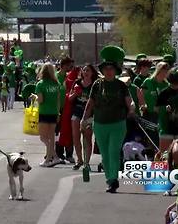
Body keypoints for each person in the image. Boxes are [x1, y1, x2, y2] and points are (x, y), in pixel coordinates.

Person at [81, 45, 134, 193]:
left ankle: (113, 180)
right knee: (104, 154)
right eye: (106, 69)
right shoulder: (97, 85)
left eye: (111, 68)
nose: (109, 71)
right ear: (103, 70)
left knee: (113, 151)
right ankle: (109, 179)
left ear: (115, 71)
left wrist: (131, 108)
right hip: (100, 124)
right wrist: (84, 119)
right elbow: (90, 103)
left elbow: (129, 100)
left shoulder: (121, 85)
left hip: (118, 123)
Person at [31, 63, 62, 167]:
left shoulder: (40, 84)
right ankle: (54, 157)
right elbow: (58, 100)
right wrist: (58, 113)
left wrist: (34, 97)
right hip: (54, 112)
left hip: (44, 112)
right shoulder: (56, 84)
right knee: (51, 136)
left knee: (43, 137)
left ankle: (50, 158)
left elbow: (41, 100)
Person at [69, 64, 99, 170]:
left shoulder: (95, 84)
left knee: (87, 138)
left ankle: (87, 162)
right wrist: (76, 93)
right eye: (84, 70)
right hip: (76, 113)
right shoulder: (77, 83)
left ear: (92, 73)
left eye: (88, 70)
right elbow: (69, 98)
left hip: (89, 115)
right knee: (76, 137)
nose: (86, 72)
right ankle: (79, 160)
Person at [138, 62, 170, 148]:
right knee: (151, 136)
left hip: (163, 115)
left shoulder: (166, 85)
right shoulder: (148, 82)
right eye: (163, 71)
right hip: (150, 114)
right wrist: (143, 105)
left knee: (161, 137)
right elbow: (140, 94)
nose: (165, 73)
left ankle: (160, 155)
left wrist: (168, 106)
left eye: (166, 71)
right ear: (158, 71)